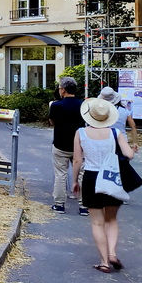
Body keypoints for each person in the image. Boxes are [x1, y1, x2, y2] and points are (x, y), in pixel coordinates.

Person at [72, 97, 135, 273]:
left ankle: (104, 261)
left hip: (91, 178)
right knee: (112, 219)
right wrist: (132, 150)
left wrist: (75, 180)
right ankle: (113, 253)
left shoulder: (81, 133)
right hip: (112, 178)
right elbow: (129, 154)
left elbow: (77, 159)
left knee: (97, 223)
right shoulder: (116, 133)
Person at [48, 77, 87, 215]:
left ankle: (59, 204)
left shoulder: (56, 105)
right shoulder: (83, 105)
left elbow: (52, 122)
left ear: (63, 90)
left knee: (60, 175)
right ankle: (83, 206)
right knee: (82, 175)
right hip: (79, 146)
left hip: (60, 144)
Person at [98, 87, 140, 153]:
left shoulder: (100, 111)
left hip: (104, 140)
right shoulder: (124, 110)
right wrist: (135, 142)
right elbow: (133, 126)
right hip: (122, 140)